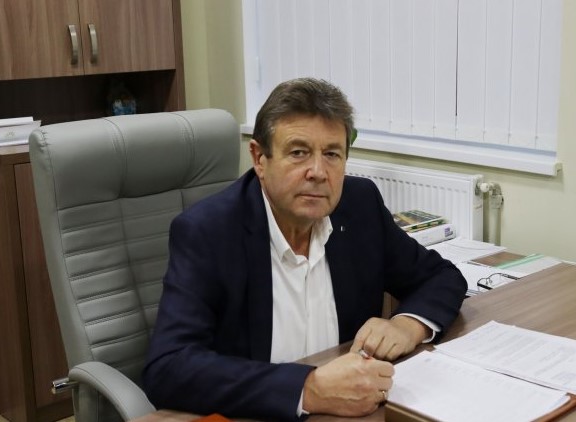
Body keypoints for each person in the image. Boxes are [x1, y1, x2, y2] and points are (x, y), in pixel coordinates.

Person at [143, 78, 467, 421]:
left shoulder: (359, 205)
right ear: (259, 159)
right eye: (298, 153)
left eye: (332, 154)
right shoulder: (208, 231)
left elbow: (441, 277)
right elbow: (169, 366)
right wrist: (307, 389)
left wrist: (407, 325)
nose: (318, 172)